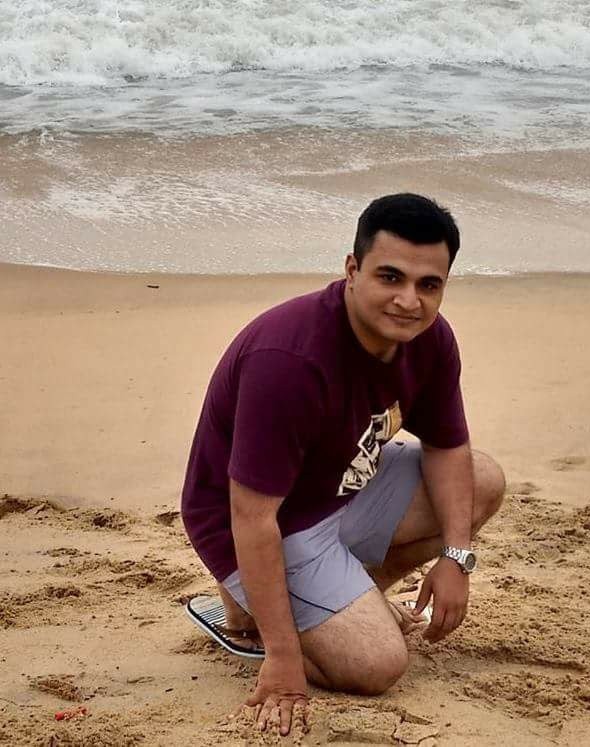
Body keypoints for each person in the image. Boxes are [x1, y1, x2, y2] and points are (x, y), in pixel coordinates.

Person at [181, 193, 505, 735]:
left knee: (483, 478)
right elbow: (252, 517)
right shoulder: (289, 360)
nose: (409, 301)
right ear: (352, 269)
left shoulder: (430, 340)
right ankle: (258, 614)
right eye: (390, 277)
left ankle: (335, 601)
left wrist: (456, 557)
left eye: (429, 285)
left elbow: (448, 448)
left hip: (341, 486)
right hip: (260, 523)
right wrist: (284, 662)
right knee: (378, 664)